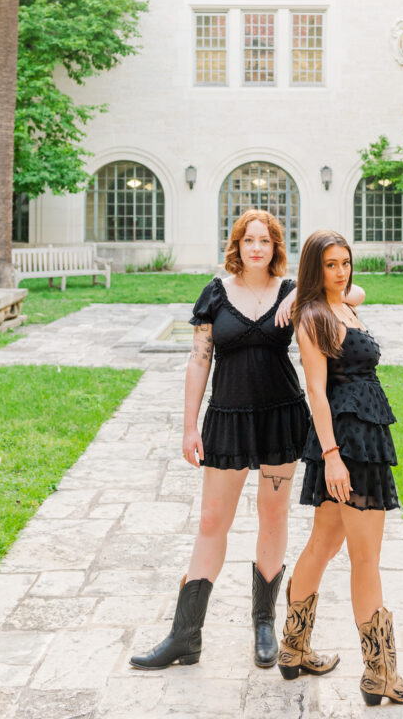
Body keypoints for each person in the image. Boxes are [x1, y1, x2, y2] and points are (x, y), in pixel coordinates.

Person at [130, 209, 364, 671]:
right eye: (248, 240)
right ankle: (185, 635)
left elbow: (353, 291)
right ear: (236, 246)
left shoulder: (292, 292)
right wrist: (189, 425)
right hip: (228, 420)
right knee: (212, 521)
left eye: (266, 241)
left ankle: (263, 625)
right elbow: (199, 361)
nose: (256, 247)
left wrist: (297, 301)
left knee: (272, 516)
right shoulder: (216, 294)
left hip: (280, 418)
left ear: (277, 248)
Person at [277, 230, 403, 708]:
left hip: (361, 433)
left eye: (345, 262)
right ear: (312, 270)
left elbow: (354, 291)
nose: (341, 272)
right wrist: (332, 456)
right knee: (365, 558)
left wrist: (306, 294)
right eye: (330, 265)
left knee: (322, 545)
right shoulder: (316, 318)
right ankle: (381, 675)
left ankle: (293, 648)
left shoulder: (342, 301)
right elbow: (316, 393)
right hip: (349, 443)